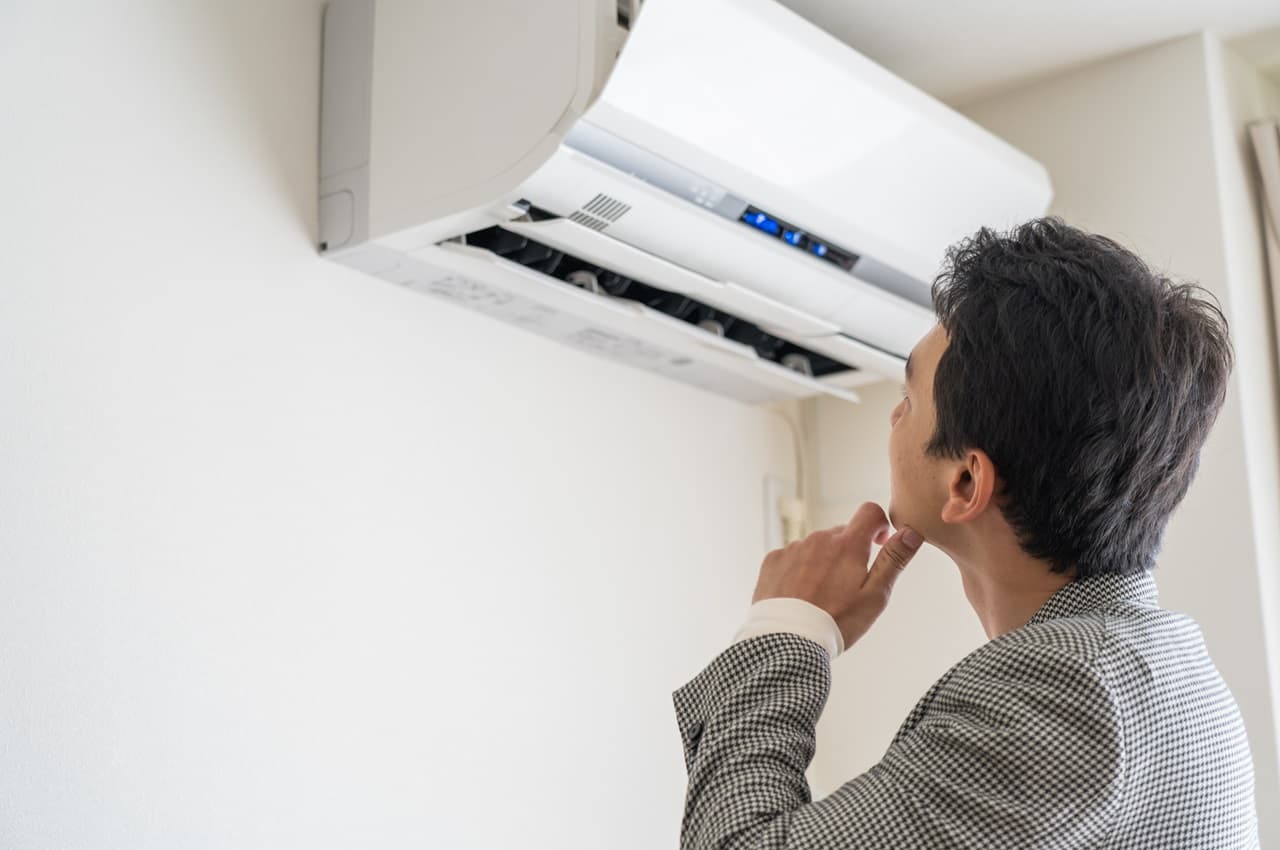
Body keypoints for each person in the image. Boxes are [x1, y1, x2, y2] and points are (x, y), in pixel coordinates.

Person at [672, 217, 1260, 848]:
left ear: (965, 483)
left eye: (909, 396)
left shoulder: (1066, 695)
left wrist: (786, 627)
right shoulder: (1172, 671)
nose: (894, 416)